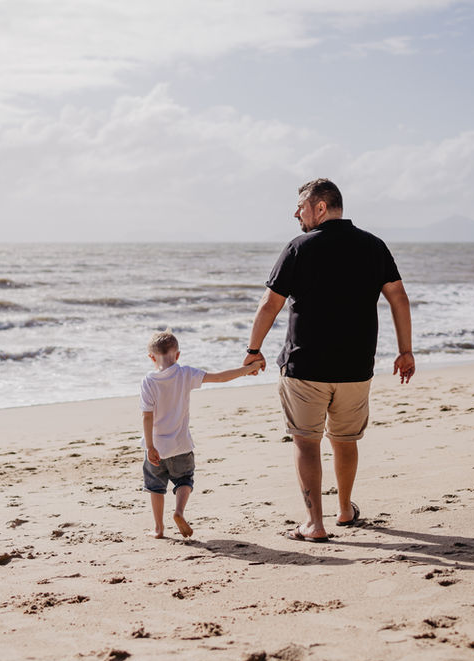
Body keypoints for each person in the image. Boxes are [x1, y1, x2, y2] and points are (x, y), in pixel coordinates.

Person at [243, 178, 415, 543]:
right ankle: (345, 509)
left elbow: (270, 304)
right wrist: (405, 351)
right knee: (345, 440)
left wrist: (253, 349)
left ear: (320, 207)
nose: (296, 213)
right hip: (355, 368)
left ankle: (314, 523)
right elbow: (399, 298)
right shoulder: (373, 245)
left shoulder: (299, 248)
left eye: (301, 206)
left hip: (305, 367)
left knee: (306, 442)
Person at [141, 330, 259, 539]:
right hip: (181, 445)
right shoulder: (185, 373)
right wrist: (247, 369)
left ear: (151, 357)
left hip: (156, 447)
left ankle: (159, 529)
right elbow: (220, 377)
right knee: (184, 480)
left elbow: (147, 417)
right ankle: (179, 512)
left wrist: (150, 446)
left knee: (155, 487)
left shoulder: (148, 381)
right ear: (177, 355)